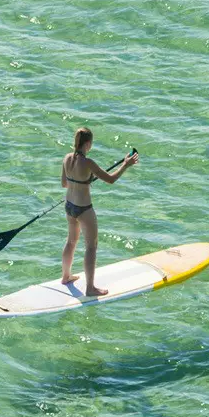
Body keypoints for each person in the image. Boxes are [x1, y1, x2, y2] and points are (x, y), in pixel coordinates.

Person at [61, 127, 137, 296]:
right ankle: (90, 288)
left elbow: (64, 184)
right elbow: (110, 180)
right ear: (87, 143)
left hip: (69, 206)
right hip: (83, 209)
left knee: (71, 241)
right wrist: (125, 165)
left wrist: (81, 182)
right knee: (91, 246)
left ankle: (66, 276)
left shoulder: (66, 158)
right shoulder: (88, 163)